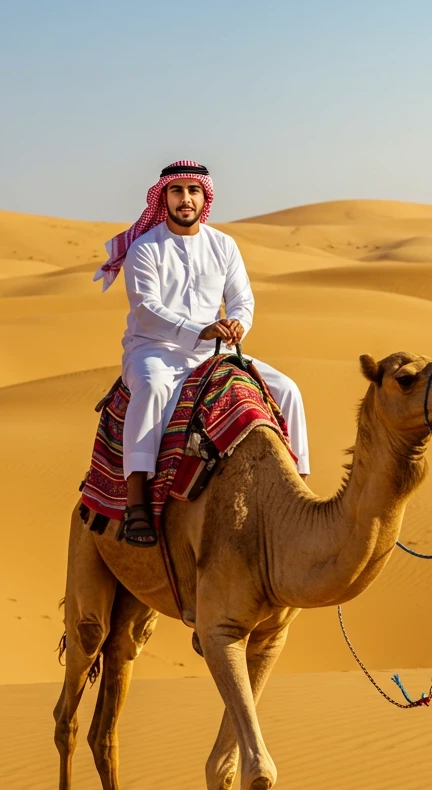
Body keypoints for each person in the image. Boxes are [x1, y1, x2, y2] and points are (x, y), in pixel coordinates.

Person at [94, 160, 310, 546]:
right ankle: (138, 500)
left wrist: (239, 322)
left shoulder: (223, 245)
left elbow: (242, 298)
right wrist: (199, 329)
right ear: (164, 198)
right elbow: (147, 308)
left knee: (287, 389)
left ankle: (299, 489)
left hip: (214, 351)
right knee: (153, 388)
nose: (186, 199)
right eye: (177, 191)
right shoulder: (145, 248)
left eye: (193, 191)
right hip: (153, 349)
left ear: (204, 197)